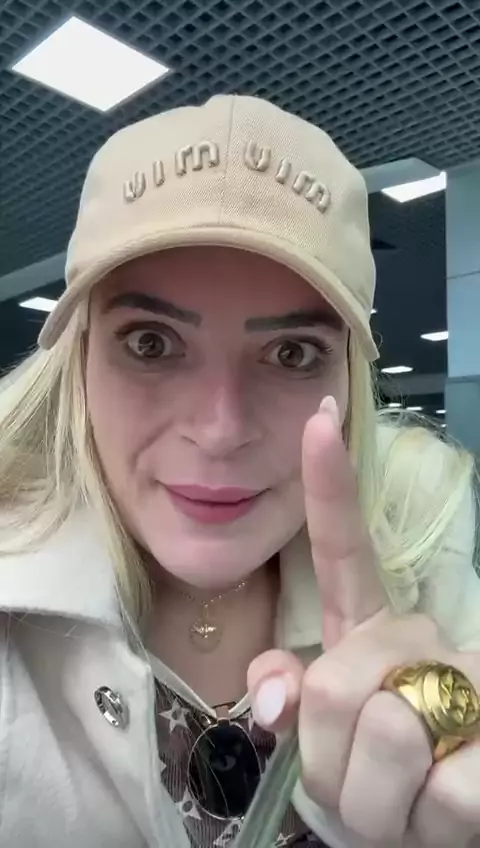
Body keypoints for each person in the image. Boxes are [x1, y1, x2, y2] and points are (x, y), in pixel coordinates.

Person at [0, 93, 479, 848]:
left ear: (348, 384)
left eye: (291, 353)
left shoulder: (425, 561)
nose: (220, 431)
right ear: (79, 363)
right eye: (151, 343)